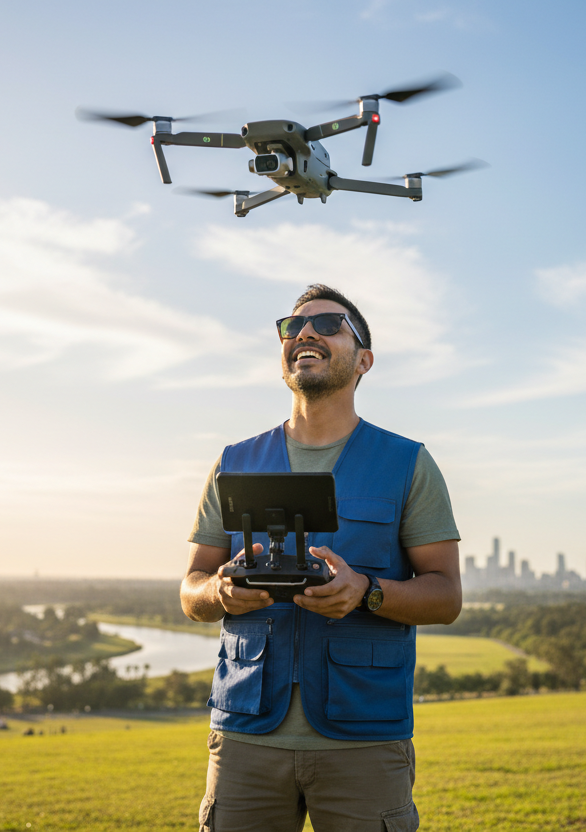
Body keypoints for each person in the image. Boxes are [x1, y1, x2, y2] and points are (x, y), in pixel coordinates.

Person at [180, 284, 462, 832]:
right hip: (244, 738)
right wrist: (220, 591)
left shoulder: (408, 464)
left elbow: (446, 596)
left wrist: (367, 592)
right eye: (292, 326)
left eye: (329, 324)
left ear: (364, 360)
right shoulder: (234, 462)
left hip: (364, 738)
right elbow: (191, 589)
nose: (305, 332)